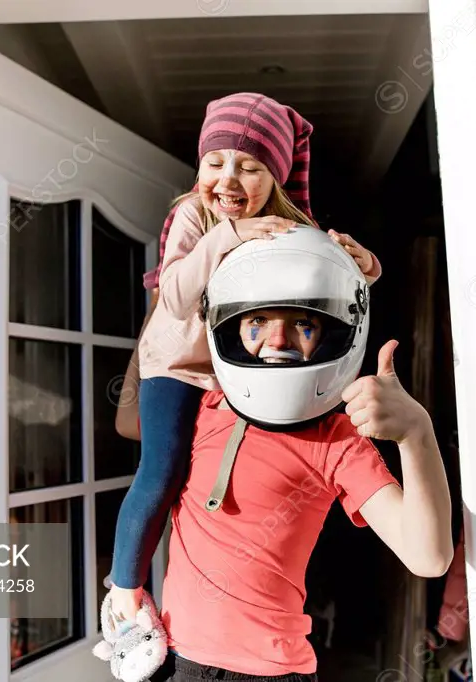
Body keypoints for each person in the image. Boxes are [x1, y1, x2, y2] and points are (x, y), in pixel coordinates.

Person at [113, 228, 453, 680]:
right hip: (175, 662)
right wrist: (164, 307)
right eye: (257, 322)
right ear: (230, 328)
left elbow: (427, 556)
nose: (277, 340)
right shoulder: (205, 403)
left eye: (302, 323)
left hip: (268, 674)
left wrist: (416, 433)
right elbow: (126, 420)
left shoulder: (336, 437)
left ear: (329, 334)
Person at [107, 92, 383, 621]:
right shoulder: (194, 214)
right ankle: (124, 593)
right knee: (161, 472)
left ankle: (210, 598)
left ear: (275, 178)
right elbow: (179, 296)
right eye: (215, 163)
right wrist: (227, 237)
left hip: (230, 369)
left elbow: (328, 276)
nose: (227, 179)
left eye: (250, 167)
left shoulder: (288, 223)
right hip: (177, 366)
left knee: (217, 480)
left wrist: (365, 263)